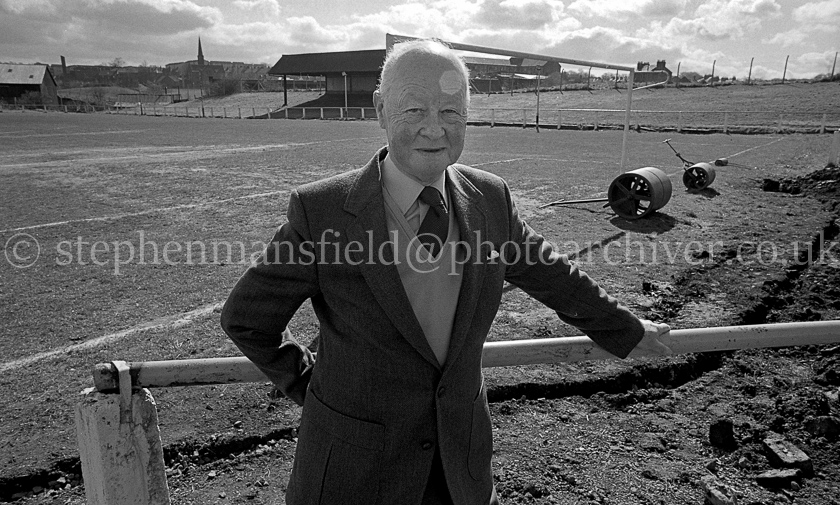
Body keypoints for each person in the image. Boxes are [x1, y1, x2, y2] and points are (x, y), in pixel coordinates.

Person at [221, 39, 671, 505]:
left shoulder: (490, 199)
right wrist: (311, 385)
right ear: (380, 110)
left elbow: (552, 274)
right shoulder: (323, 211)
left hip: (460, 469)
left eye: (451, 112)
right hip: (354, 473)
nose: (434, 129)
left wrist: (627, 330)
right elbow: (247, 320)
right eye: (413, 109)